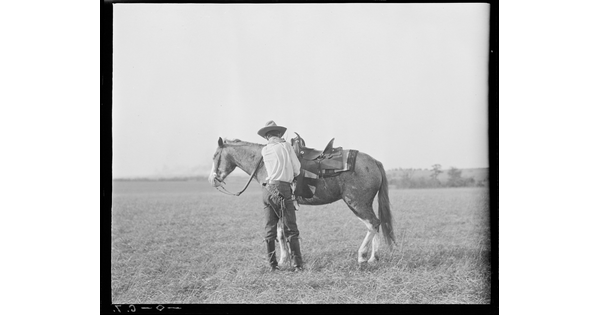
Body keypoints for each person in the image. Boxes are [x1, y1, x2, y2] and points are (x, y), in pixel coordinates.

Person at [257, 120, 303, 272]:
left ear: (267, 137)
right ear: (278, 134)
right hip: (282, 189)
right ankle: (297, 265)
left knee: (270, 229)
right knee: (291, 229)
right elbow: (297, 169)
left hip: (267, 190)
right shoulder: (285, 146)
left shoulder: (265, 150)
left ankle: (273, 266)